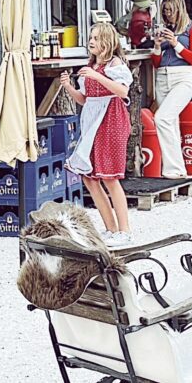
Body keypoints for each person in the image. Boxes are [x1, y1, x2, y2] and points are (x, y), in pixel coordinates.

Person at [77, 21, 133, 237]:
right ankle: (110, 228)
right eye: (91, 37)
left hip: (112, 121)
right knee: (89, 177)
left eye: (97, 38)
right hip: (93, 125)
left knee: (110, 176)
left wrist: (98, 76)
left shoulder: (114, 64)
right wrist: (69, 87)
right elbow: (84, 99)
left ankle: (124, 231)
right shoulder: (90, 68)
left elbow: (123, 91)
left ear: (107, 42)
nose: (91, 41)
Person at [152, 0, 192, 180]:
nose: (167, 14)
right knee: (171, 123)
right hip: (163, 77)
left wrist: (175, 43)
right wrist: (157, 45)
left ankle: (172, 170)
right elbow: (156, 63)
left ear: (179, 8)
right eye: (165, 10)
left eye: (170, 10)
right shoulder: (166, 29)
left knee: (162, 119)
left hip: (182, 77)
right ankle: (179, 169)